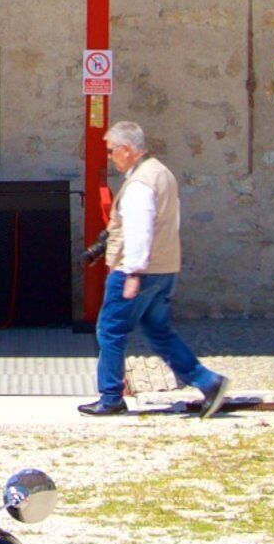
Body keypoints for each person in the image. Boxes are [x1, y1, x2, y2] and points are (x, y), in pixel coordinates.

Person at [77, 121, 228, 418]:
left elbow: (140, 230)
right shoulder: (162, 173)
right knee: (159, 332)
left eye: (111, 151)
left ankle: (110, 397)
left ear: (127, 150)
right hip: (164, 268)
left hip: (137, 272)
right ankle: (208, 383)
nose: (110, 157)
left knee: (110, 330)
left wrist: (132, 272)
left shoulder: (139, 185)